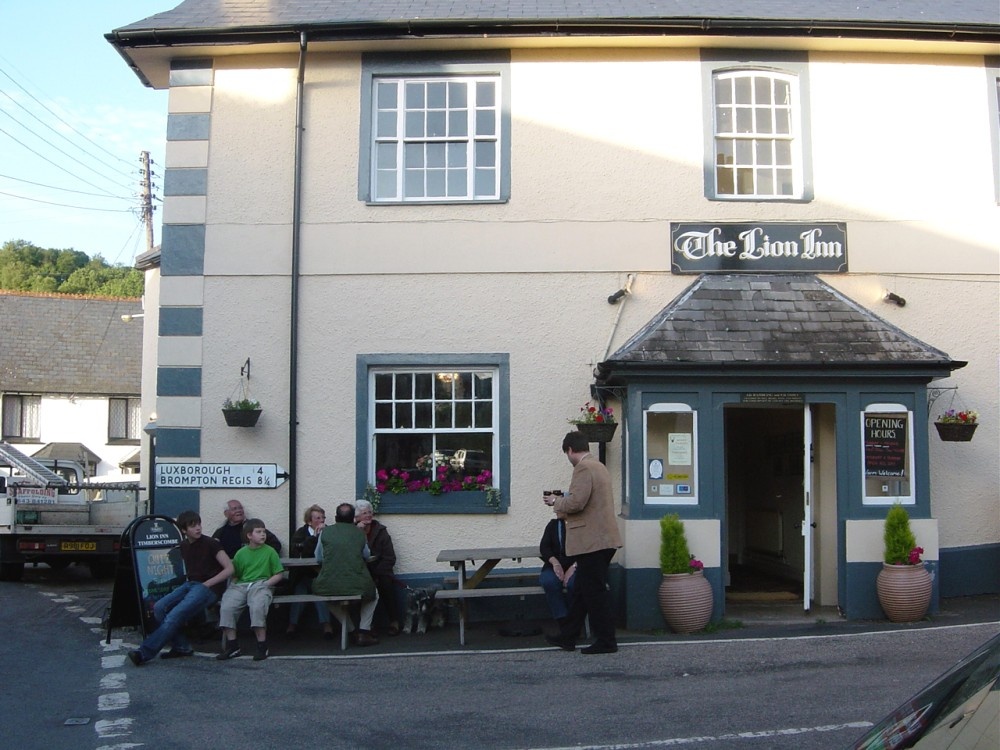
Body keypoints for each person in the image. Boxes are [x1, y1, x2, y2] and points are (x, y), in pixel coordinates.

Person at [544, 431, 623, 655]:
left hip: (592, 542)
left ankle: (607, 641)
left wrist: (556, 501)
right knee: (581, 589)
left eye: (566, 454)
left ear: (570, 450)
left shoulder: (583, 468)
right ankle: (568, 636)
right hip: (602, 539)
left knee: (594, 593)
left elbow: (577, 503)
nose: (567, 458)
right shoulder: (599, 467)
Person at [127, 510, 234, 666]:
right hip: (190, 584)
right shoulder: (183, 546)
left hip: (208, 588)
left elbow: (229, 569)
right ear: (184, 530)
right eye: (192, 526)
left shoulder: (211, 543)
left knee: (174, 615)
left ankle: (144, 653)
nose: (198, 528)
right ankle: (182, 646)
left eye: (199, 524)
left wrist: (208, 583)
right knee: (159, 608)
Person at [216, 518, 285, 661]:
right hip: (241, 585)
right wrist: (233, 588)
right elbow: (236, 575)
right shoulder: (241, 553)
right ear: (249, 535)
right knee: (227, 606)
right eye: (258, 532)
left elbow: (279, 574)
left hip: (261, 584)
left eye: (263, 532)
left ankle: (262, 645)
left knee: (257, 606)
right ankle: (233, 646)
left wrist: (266, 584)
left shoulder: (270, 551)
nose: (262, 535)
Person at [312, 502, 380, 646]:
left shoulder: (326, 532)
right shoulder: (359, 533)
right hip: (357, 582)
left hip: (329, 583)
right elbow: (366, 556)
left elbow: (318, 558)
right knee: (374, 595)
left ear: (336, 517)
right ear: (352, 518)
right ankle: (363, 631)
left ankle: (351, 629)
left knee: (325, 596)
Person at [286, 504, 334, 639]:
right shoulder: (300, 533)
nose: (322, 521)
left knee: (319, 593)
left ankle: (326, 625)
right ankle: (292, 624)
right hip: (302, 574)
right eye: (318, 518)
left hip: (321, 574)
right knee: (299, 593)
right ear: (309, 521)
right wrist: (314, 538)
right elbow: (300, 552)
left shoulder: (329, 532)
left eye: (323, 517)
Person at [355, 498, 401, 636]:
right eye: (364, 513)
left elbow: (390, 557)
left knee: (386, 584)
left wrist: (377, 573)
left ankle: (394, 621)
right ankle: (367, 625)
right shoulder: (352, 532)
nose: (368, 515)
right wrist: (358, 534)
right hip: (360, 572)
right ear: (356, 517)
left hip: (380, 570)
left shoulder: (381, 531)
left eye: (370, 512)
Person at [212, 499, 282, 559]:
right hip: (229, 568)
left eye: (240, 508)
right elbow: (213, 549)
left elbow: (275, 544)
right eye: (234, 509)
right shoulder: (220, 531)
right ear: (226, 514)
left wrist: (260, 558)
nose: (239, 511)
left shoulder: (251, 527)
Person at [538, 514, 577, 623]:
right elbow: (544, 547)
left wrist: (573, 567)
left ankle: (574, 619)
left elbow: (588, 549)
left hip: (577, 565)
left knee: (573, 584)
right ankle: (562, 619)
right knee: (549, 581)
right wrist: (555, 563)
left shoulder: (581, 526)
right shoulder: (553, 525)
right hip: (553, 566)